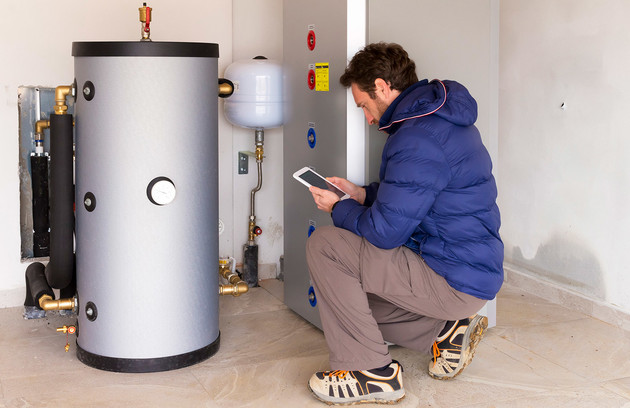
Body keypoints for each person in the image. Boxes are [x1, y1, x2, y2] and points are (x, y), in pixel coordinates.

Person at [305, 42, 504, 405]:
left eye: (363, 105)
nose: (368, 118)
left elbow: (385, 233)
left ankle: (370, 374)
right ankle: (443, 333)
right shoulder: (437, 122)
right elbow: (417, 197)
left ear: (382, 87)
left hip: (452, 278)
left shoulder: (417, 138)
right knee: (347, 302)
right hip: (467, 271)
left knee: (326, 246)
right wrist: (361, 195)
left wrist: (338, 208)